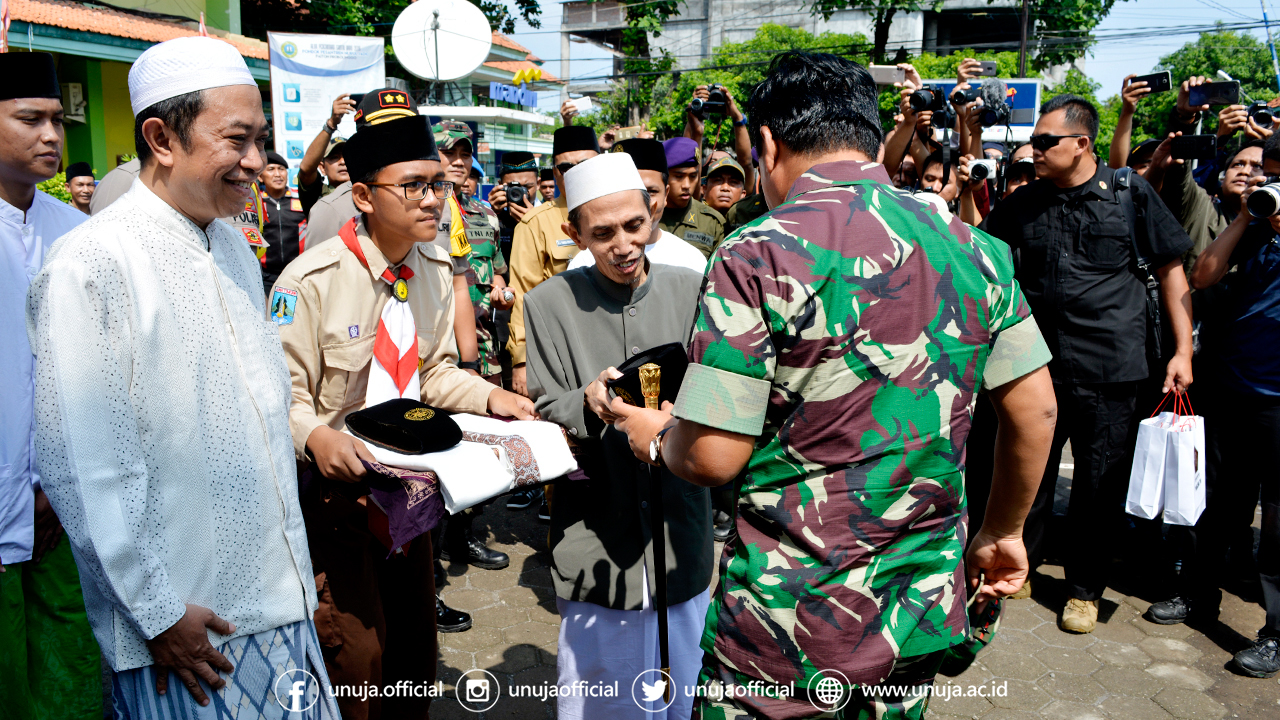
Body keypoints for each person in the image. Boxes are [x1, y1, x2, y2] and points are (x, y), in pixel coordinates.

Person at [608, 51, 1057, 720]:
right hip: (918, 606)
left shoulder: (755, 252)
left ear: (765, 144)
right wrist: (1003, 530)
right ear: (874, 140)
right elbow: (1037, 408)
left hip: (788, 623)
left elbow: (711, 455)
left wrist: (656, 437)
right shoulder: (976, 247)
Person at [26, 36, 338, 718]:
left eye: (260, 140)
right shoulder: (93, 263)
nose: (257, 162)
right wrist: (159, 611)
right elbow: (84, 462)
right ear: (161, 138)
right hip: (187, 634)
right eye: (237, 140)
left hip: (277, 608)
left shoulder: (230, 243)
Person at [272, 113, 537, 719]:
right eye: (412, 186)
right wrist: (315, 436)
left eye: (437, 184)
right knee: (357, 657)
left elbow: (435, 372)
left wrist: (493, 398)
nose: (432, 199)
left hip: (411, 490)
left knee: (415, 648)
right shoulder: (309, 281)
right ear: (363, 195)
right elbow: (279, 394)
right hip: (338, 499)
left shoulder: (434, 269)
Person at [980, 93, 1195, 634]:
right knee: (1027, 472)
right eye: (1034, 139)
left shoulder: (1129, 194)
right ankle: (1019, 565)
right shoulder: (1024, 202)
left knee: (1100, 486)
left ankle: (1083, 591)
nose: (1035, 149)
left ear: (1082, 144)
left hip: (1112, 369)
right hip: (1034, 368)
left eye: (1046, 140)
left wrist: (1183, 350)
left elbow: (1172, 273)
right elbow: (977, 255)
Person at [523, 151, 711, 720]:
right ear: (573, 231)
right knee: (599, 695)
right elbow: (544, 402)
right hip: (596, 532)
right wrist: (586, 400)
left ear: (652, 213)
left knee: (682, 688)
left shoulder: (693, 287)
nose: (623, 245)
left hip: (681, 531)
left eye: (634, 225)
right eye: (602, 233)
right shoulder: (548, 303)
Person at [0, 51, 101, 720]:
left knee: (72, 685)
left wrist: (53, 483)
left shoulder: (79, 233)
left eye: (57, 121)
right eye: (28, 119)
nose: (51, 136)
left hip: (62, 505)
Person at [1171, 135, 1280, 678]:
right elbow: (1203, 275)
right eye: (1269, 175)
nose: (1271, 186)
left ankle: (1276, 634)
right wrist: (1244, 217)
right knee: (1218, 505)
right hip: (1233, 390)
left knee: (1279, 526)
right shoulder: (1255, 226)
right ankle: (1198, 595)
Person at [431, 118, 516, 574]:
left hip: (483, 348)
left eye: (465, 154)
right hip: (439, 353)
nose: (459, 161)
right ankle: (433, 542)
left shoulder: (484, 214)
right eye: (450, 153)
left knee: (478, 442)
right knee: (437, 444)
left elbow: (496, 269)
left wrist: (499, 289)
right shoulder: (426, 209)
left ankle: (465, 537)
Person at [506, 125, 599, 397]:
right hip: (561, 350)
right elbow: (524, 293)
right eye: (565, 167)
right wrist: (521, 359)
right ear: (555, 172)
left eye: (585, 164)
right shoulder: (535, 223)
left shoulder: (620, 210)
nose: (575, 172)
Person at [567, 138, 707, 274]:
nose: (641, 204)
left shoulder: (692, 261)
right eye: (630, 194)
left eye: (651, 192)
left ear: (665, 195)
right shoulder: (584, 264)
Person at [305, 89, 418, 246]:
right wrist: (331, 124)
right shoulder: (332, 209)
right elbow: (306, 171)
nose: (396, 140)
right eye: (384, 133)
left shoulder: (437, 199)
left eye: (405, 131)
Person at [659, 137, 725, 258]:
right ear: (664, 176)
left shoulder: (711, 222)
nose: (687, 185)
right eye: (678, 176)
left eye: (693, 176)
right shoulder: (648, 217)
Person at [259, 150, 307, 295]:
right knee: (268, 315)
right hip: (265, 276)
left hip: (297, 274)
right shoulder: (256, 202)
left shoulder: (301, 199)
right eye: (271, 169)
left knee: (295, 316)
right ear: (260, 177)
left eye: (281, 169)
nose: (278, 174)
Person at [297, 93, 354, 215]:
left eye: (347, 157)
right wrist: (331, 124)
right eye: (334, 158)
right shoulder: (317, 194)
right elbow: (306, 170)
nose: (343, 162)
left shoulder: (366, 194)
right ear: (322, 168)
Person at [487, 150, 540, 263]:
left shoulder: (548, 216)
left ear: (538, 184)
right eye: (513, 188)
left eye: (526, 187)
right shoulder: (494, 215)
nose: (519, 193)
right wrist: (491, 214)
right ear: (500, 185)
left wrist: (537, 222)